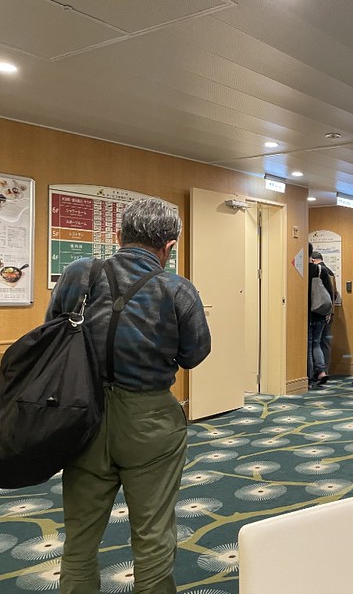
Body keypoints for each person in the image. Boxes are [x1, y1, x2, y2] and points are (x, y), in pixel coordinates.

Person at [46, 197, 211, 593]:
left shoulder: (78, 273)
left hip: (83, 413)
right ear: (169, 246)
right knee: (153, 535)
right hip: (150, 420)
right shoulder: (178, 289)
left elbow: (52, 331)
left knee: (80, 536)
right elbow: (194, 354)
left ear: (118, 235)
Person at [308, 244, 333, 385]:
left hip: (306, 314)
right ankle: (322, 371)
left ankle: (310, 375)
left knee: (308, 345)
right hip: (320, 313)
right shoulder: (320, 270)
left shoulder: (300, 271)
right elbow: (330, 293)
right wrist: (328, 312)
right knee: (317, 343)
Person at [311, 250, 337, 374]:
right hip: (326, 310)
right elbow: (333, 293)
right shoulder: (330, 271)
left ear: (313, 259)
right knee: (324, 342)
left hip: (316, 312)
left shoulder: (317, 270)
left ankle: (319, 371)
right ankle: (325, 370)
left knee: (316, 343)